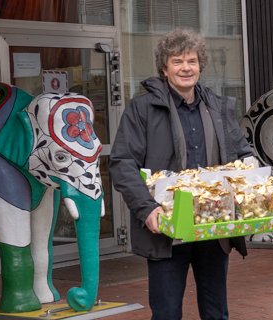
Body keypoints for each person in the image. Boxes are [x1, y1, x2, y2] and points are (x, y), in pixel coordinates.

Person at [109, 28, 252, 320]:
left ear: (200, 65)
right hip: (166, 228)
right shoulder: (142, 109)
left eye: (191, 61)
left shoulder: (216, 106)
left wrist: (253, 177)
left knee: (216, 312)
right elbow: (122, 163)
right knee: (166, 314)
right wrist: (146, 209)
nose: (186, 68)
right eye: (177, 61)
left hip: (213, 226)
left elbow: (242, 151)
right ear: (164, 68)